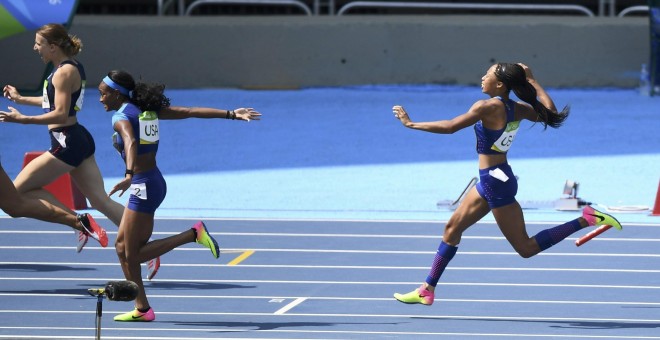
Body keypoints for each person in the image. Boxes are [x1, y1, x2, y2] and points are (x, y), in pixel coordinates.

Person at [391, 63, 622, 306]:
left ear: (500, 84)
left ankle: (586, 219)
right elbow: (549, 112)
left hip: (495, 183)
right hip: (494, 178)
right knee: (452, 229)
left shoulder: (487, 107)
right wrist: (532, 80)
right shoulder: (517, 109)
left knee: (526, 248)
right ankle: (427, 289)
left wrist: (411, 124)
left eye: (487, 75)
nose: (482, 78)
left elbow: (450, 127)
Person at [0, 23, 161, 279]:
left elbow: (60, 113)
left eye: (38, 44)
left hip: (66, 142)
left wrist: (22, 119)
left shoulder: (63, 73)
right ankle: (147, 248)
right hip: (77, 139)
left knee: (17, 193)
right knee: (101, 201)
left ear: (52, 47)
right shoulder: (69, 67)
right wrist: (21, 99)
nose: (35, 48)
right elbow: (53, 101)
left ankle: (78, 222)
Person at [98, 69, 261, 322]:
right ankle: (142, 309)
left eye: (103, 94)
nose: (100, 99)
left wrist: (129, 174)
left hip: (144, 185)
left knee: (135, 255)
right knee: (122, 248)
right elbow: (189, 111)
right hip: (152, 181)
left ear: (117, 94)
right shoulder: (145, 111)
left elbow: (129, 141)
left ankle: (193, 234)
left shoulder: (120, 117)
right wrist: (230, 114)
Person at [0, 161, 106, 251]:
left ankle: (77, 221)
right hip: (75, 145)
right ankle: (78, 221)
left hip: (66, 146)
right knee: (16, 203)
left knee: (15, 203)